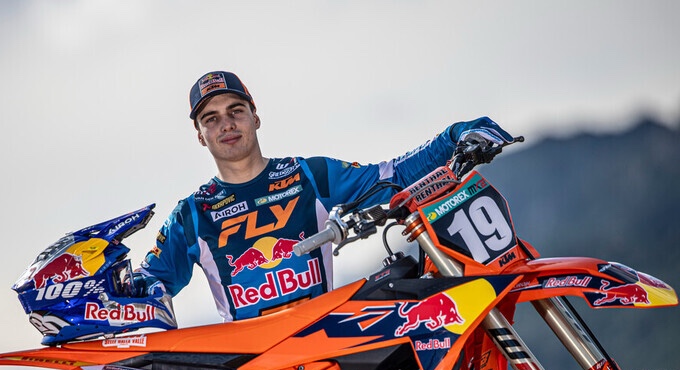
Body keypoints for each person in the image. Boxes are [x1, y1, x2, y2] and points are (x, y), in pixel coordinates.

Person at [132, 70, 513, 321]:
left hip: (325, 349)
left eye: (235, 111)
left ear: (255, 117)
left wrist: (458, 136)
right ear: (200, 136)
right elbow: (148, 286)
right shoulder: (191, 214)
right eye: (211, 119)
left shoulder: (307, 175)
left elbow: (393, 176)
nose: (226, 124)